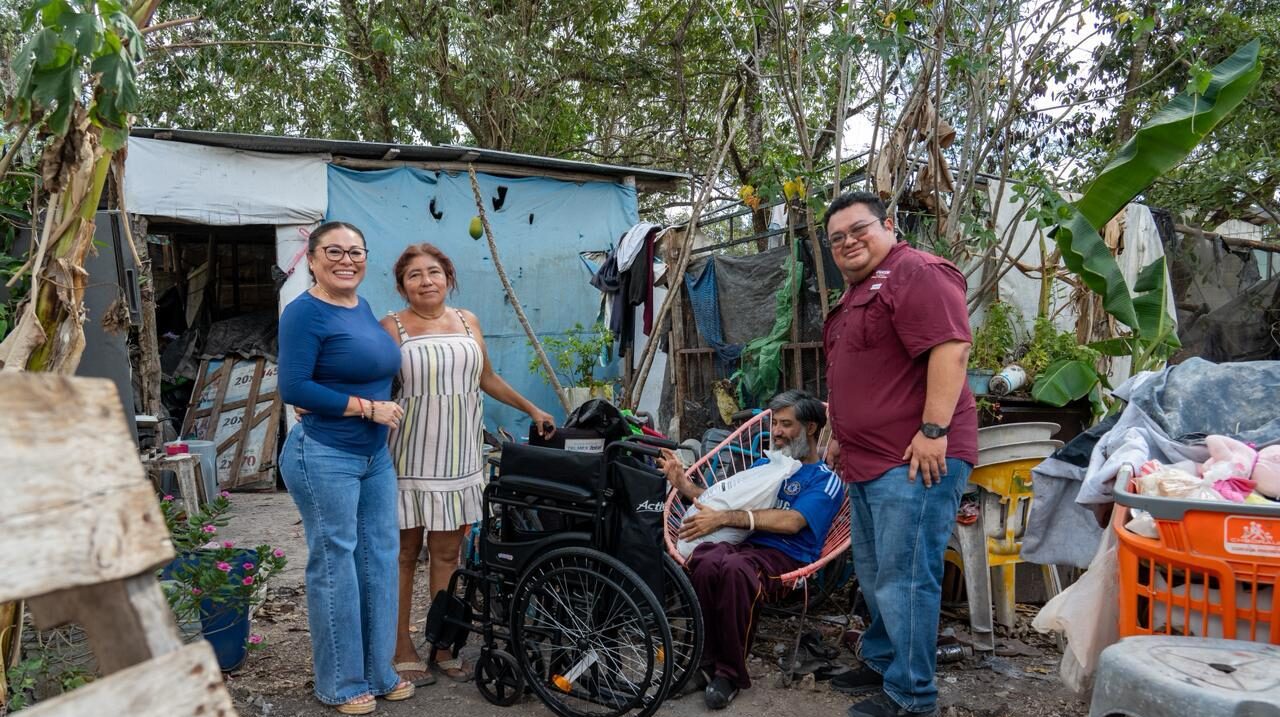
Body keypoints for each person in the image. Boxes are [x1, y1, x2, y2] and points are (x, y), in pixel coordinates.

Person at [821, 192, 977, 717]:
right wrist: (840, 431)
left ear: (889, 225)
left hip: (914, 457)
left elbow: (950, 348)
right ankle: (884, 659)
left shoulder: (916, 272)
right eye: (837, 238)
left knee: (906, 576)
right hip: (869, 460)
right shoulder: (859, 293)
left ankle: (912, 697)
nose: (848, 242)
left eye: (858, 229)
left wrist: (933, 430)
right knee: (874, 572)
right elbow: (867, 371)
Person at [381, 242, 556, 687]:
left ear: (448, 277)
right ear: (402, 285)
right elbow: (376, 386)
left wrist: (532, 409)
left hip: (459, 456)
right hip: (409, 456)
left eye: (434, 272)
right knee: (403, 555)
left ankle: (442, 642)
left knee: (447, 553)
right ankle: (401, 644)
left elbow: (486, 378)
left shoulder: (467, 321)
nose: (426, 281)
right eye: (415, 274)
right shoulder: (391, 327)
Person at [277, 221, 416, 715]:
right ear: (312, 259)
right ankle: (339, 682)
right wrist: (364, 407)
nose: (346, 259)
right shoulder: (303, 313)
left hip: (374, 456)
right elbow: (294, 388)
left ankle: (378, 671)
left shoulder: (363, 307)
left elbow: (373, 368)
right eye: (333, 251)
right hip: (323, 454)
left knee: (378, 559)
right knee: (336, 563)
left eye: (355, 251)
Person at [657, 389, 844, 711]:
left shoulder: (824, 480)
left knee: (735, 571)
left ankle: (729, 674)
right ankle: (703, 663)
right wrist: (684, 485)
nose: (777, 432)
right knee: (705, 559)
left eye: (786, 424)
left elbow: (793, 522)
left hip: (787, 556)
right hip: (743, 544)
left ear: (811, 428)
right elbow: (724, 503)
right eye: (775, 424)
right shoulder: (767, 465)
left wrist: (727, 518)